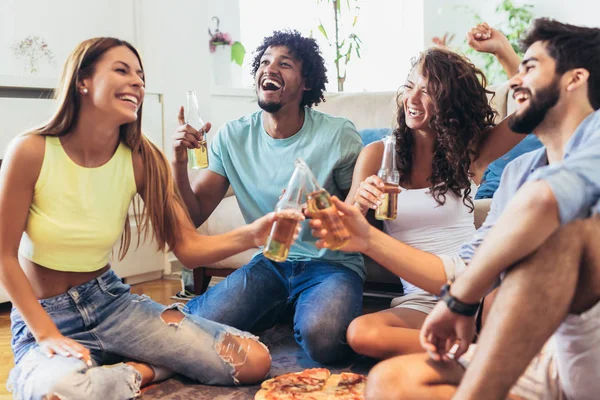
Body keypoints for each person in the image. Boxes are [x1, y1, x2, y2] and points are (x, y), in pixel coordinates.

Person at [309, 18, 600, 400]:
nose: (513, 82)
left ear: (575, 79)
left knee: (556, 244)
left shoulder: (491, 155)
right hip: (464, 302)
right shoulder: (517, 173)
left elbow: (544, 194)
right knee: (385, 380)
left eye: (528, 69)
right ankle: (488, 353)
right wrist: (360, 223)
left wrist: (462, 300)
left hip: (501, 304)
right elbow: (469, 263)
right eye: (409, 87)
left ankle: (485, 363)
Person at [0, 37, 284, 400]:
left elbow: (188, 248)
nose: (138, 83)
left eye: (141, 77)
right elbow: (5, 257)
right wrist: (46, 334)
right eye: (122, 70)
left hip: (111, 304)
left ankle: (138, 368)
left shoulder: (141, 158)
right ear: (82, 81)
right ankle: (134, 366)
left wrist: (254, 234)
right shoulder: (30, 151)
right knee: (61, 390)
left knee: (251, 361)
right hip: (46, 314)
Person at [171, 30, 365, 364]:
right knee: (195, 327)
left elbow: (363, 215)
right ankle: (278, 309)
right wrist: (177, 163)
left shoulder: (338, 135)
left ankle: (288, 312)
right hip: (270, 263)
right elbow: (195, 212)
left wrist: (332, 213)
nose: (269, 69)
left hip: (331, 265)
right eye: (264, 62)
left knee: (325, 340)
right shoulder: (233, 137)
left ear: (306, 83)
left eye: (284, 64)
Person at [344, 29, 525, 359]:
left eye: (427, 91)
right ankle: (479, 354)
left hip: (470, 278)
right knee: (361, 333)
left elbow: (532, 110)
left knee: (509, 306)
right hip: (420, 296)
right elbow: (345, 231)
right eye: (410, 86)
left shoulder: (471, 152)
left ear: (450, 101)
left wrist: (504, 52)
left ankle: (469, 350)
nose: (412, 100)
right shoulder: (376, 155)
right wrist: (359, 202)